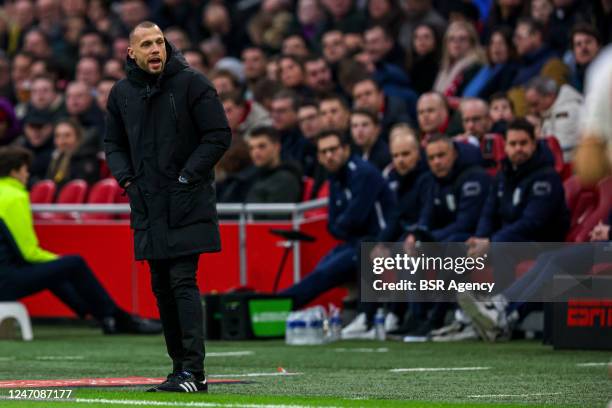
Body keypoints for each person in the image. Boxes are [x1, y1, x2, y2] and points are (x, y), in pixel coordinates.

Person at [104, 21, 231, 393]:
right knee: (160, 285)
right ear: (132, 53)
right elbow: (113, 144)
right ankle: (181, 369)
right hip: (147, 203)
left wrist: (187, 177)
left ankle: (194, 371)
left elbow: (219, 135)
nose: (155, 49)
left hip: (185, 201)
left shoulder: (193, 83)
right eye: (146, 44)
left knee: (181, 280)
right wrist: (128, 181)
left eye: (159, 42)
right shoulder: (121, 94)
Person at [0, 146, 161, 336]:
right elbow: (28, 253)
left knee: (54, 270)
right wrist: (58, 260)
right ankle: (116, 318)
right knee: (72, 263)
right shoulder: (14, 197)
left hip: (6, 275)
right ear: (15, 171)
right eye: (26, 169)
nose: (28, 174)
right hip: (6, 282)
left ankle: (100, 316)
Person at [280, 129, 395, 308]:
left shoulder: (362, 173)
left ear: (346, 149)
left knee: (324, 274)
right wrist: (343, 224)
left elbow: (355, 218)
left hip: (380, 242)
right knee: (320, 270)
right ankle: (278, 303)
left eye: (333, 150)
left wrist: (343, 224)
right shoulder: (335, 178)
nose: (329, 156)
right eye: (324, 152)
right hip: (353, 242)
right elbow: (333, 226)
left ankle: (278, 304)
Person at [467, 118, 570, 289]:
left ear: (534, 144)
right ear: (505, 146)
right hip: (509, 238)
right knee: (459, 245)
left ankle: (501, 307)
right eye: (513, 144)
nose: (518, 148)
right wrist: (480, 238)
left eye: (523, 143)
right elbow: (488, 211)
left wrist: (491, 242)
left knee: (501, 248)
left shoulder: (546, 177)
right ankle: (443, 313)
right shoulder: (504, 174)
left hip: (541, 242)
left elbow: (533, 223)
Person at [244, 126, 303, 205]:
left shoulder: (286, 179)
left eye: (262, 146)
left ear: (277, 147)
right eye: (251, 148)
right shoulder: (253, 175)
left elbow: (277, 216)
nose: (255, 152)